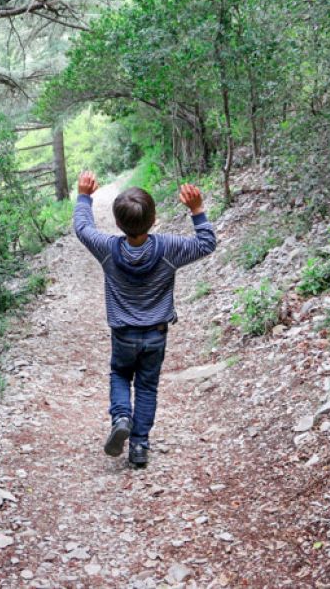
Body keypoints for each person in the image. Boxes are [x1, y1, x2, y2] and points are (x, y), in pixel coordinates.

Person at [73, 170, 216, 467]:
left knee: (120, 375)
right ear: (153, 219)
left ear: (117, 223)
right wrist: (197, 209)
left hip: (123, 333)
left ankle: (122, 416)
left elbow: (83, 228)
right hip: (156, 333)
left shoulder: (108, 250)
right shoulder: (169, 249)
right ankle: (139, 447)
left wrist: (85, 196)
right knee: (148, 387)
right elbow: (206, 244)